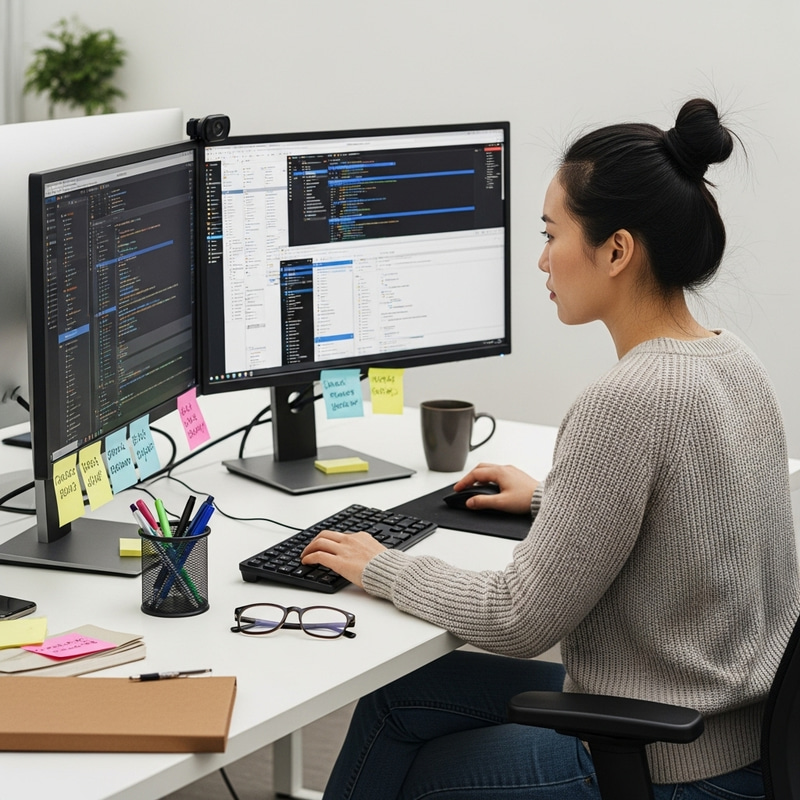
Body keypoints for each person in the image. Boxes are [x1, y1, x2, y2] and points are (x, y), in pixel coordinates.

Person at [301, 98, 800, 800]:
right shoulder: (732, 360)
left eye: (551, 232)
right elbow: (699, 519)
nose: (541, 258)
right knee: (401, 695)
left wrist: (382, 566)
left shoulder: (625, 400)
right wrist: (549, 498)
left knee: (412, 776)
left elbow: (518, 616)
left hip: (665, 757)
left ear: (617, 250)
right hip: (733, 731)